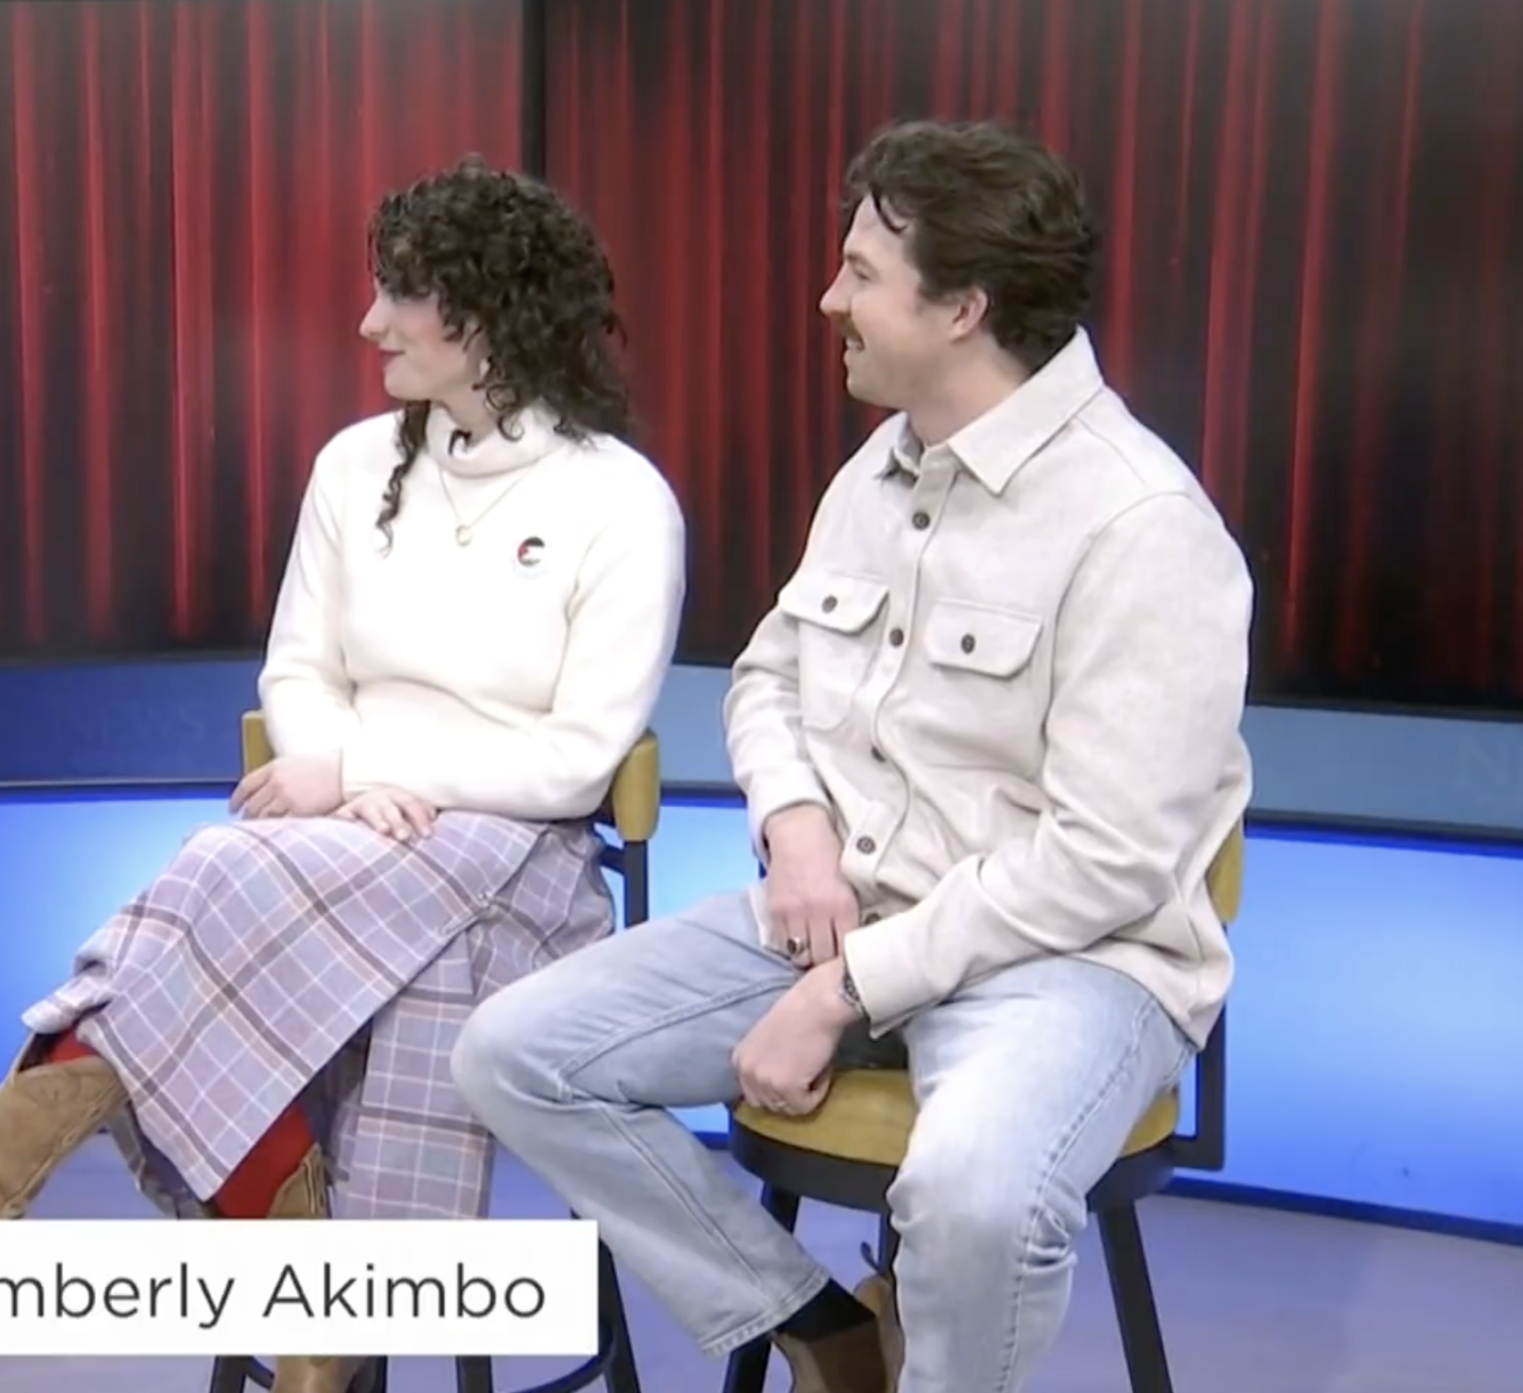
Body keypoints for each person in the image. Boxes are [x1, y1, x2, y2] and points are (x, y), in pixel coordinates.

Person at [0, 157, 686, 1393]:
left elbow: (574, 760)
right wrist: (340, 781)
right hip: (335, 841)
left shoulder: (618, 500)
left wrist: (356, 766)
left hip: (521, 863)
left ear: (485, 314)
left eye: (399, 296)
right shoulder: (356, 467)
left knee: (216, 875)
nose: (368, 323)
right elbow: (295, 667)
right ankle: (316, 1324)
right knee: (279, 898)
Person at [452, 119, 1254, 1393]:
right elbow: (769, 677)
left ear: (963, 309)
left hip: (1066, 960)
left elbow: (1102, 864)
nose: (830, 299)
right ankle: (824, 1332)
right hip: (845, 912)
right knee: (512, 1052)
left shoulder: (1144, 526)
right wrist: (795, 828)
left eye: (862, 274)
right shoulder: (881, 468)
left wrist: (844, 990)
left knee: (975, 1196)